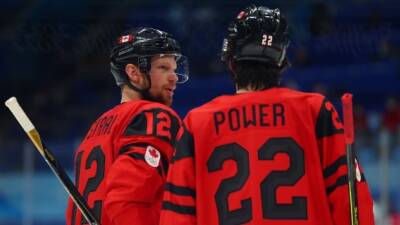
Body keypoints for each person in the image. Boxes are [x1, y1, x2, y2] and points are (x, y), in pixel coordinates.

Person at [160, 5, 375, 225]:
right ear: (281, 62)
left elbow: (177, 214)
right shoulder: (315, 110)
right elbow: (350, 200)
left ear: (231, 61)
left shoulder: (197, 123)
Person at [65, 27, 189, 225]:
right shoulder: (155, 116)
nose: (173, 77)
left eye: (174, 69)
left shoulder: (98, 126)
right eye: (163, 68)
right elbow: (126, 198)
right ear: (133, 72)